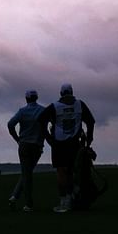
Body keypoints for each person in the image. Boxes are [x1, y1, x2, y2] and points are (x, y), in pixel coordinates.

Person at [42, 83, 95, 213]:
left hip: (59, 145)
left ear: (61, 93)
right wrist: (89, 137)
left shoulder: (54, 106)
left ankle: (64, 202)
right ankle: (74, 196)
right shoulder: (80, 104)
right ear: (72, 92)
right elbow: (91, 121)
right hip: (75, 143)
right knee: (74, 171)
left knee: (61, 173)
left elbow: (40, 120)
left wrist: (48, 138)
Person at [7, 90, 49, 212]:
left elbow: (10, 124)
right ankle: (27, 203)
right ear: (36, 97)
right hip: (37, 146)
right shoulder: (43, 110)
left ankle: (15, 197)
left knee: (26, 173)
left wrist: (17, 139)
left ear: (26, 99)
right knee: (27, 173)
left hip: (24, 145)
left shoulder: (22, 111)